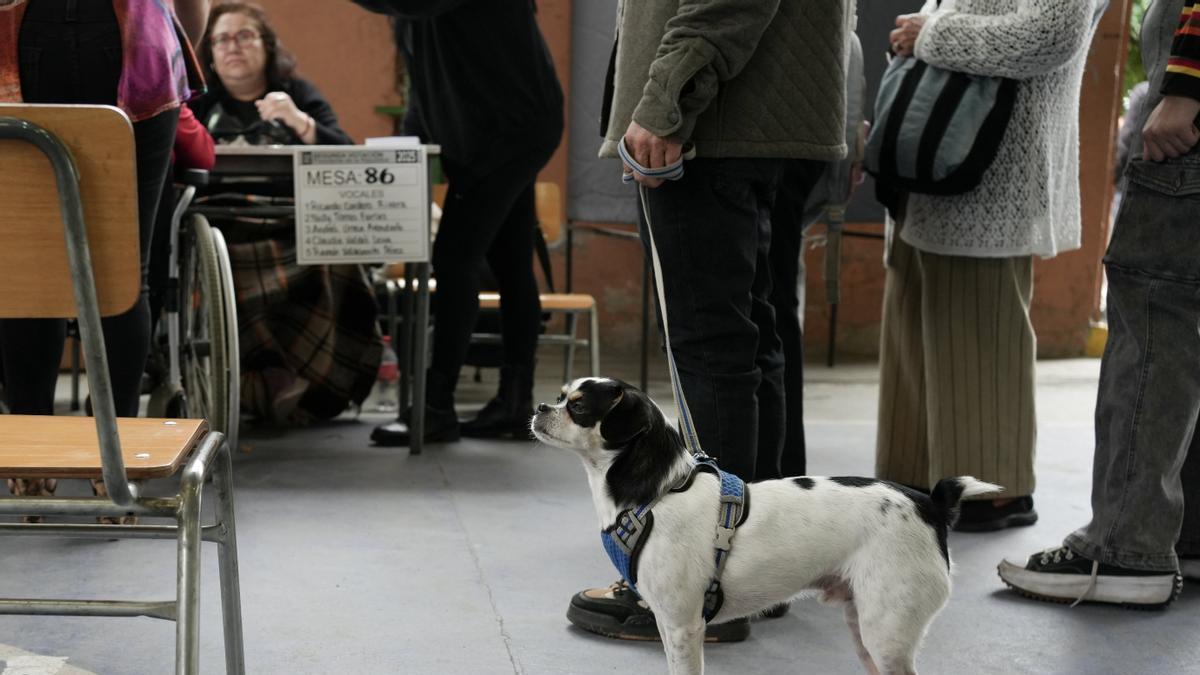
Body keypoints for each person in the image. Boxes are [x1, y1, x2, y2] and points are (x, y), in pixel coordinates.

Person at [566, 0, 851, 643]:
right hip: (763, 115)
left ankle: (706, 587)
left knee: (711, 345)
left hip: (714, 121)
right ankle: (759, 574)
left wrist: (664, 98)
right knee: (751, 339)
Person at [998, 0, 1200, 609]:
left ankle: (1124, 549)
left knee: (1154, 323)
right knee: (1184, 329)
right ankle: (1181, 535)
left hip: (1190, 127)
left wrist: (1185, 84)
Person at [876, 0, 1102, 532]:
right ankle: (915, 473)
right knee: (914, 310)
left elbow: (1051, 35)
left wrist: (931, 34)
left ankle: (994, 489)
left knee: (979, 326)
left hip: (994, 163)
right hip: (941, 147)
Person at [0, 0, 208, 505]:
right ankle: (111, 466)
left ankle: (30, 462)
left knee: (30, 261)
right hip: (137, 37)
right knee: (123, 270)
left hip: (20, 35)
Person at [350, 0, 564, 445]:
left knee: (454, 258)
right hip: (494, 128)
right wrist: (415, 141)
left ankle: (436, 406)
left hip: (509, 129)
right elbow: (422, 67)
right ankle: (513, 403)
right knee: (509, 262)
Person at [190, 2, 379, 425]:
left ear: (267, 47)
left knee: (334, 256)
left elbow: (346, 155)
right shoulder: (199, 103)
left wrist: (300, 122)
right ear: (210, 53)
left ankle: (311, 381)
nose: (232, 47)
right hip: (220, 224)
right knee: (215, 269)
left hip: (293, 220)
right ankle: (264, 380)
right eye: (221, 39)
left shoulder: (299, 94)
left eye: (244, 36)